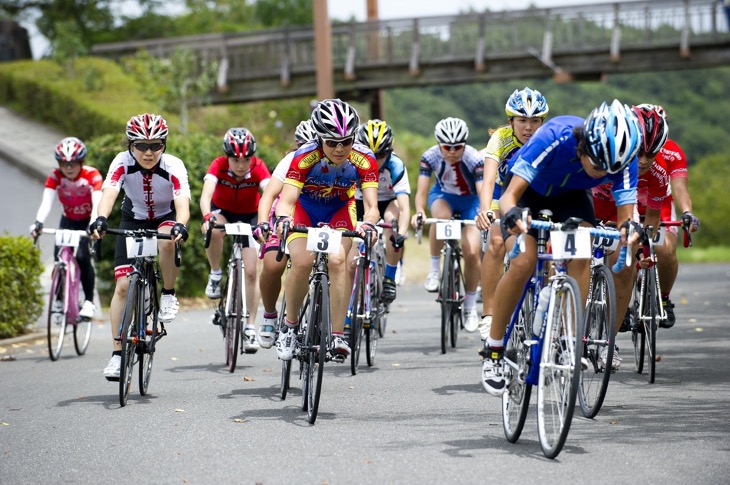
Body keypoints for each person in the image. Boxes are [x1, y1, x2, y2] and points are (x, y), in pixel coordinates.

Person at [480, 100, 642, 396]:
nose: (602, 173)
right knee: (523, 260)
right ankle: (493, 349)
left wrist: (629, 233)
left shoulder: (624, 157)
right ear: (583, 147)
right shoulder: (554, 136)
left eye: (610, 170)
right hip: (529, 190)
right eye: (597, 165)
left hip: (572, 197)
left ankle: (568, 340)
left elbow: (626, 219)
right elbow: (508, 199)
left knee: (580, 250)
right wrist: (514, 216)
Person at [274, 99, 379, 362]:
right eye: (332, 142)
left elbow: (371, 205)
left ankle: (336, 335)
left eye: (346, 140)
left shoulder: (364, 159)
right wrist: (283, 219)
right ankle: (289, 325)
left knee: (338, 259)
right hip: (305, 209)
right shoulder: (304, 156)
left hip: (339, 210)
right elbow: (286, 201)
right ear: (320, 138)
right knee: (301, 261)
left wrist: (369, 224)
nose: (340, 148)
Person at [89, 114, 191, 381]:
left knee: (165, 239)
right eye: (141, 146)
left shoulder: (173, 165)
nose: (148, 152)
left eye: (155, 145)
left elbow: (182, 204)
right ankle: (117, 354)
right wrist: (100, 218)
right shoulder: (121, 162)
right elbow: (109, 192)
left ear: (164, 145)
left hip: (164, 217)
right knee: (122, 286)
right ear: (130, 145)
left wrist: (181, 224)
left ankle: (168, 292)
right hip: (132, 217)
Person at [474, 87, 549, 341]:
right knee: (495, 241)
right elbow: (488, 179)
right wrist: (485, 211)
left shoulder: (547, 139)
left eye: (535, 121)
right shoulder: (501, 139)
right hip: (501, 195)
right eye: (522, 120)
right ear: (510, 121)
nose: (528, 127)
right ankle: (489, 314)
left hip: (535, 197)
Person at [593, 104, 670, 346]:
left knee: (626, 264)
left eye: (652, 154)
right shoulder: (604, 155)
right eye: (639, 153)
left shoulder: (658, 175)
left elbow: (651, 221)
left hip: (622, 209)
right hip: (591, 205)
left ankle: (610, 341)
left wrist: (642, 252)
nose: (645, 161)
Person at [200, 127, 270, 353]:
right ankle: (215, 273)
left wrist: (266, 220)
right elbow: (206, 195)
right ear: (226, 157)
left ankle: (250, 327)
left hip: (250, 215)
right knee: (215, 229)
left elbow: (269, 193)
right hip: (223, 211)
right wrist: (207, 216)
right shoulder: (217, 165)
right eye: (235, 159)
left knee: (251, 271)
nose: (241, 165)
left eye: (246, 159)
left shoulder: (259, 167)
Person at [410, 117, 484, 332]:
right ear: (439, 144)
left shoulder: (473, 158)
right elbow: (422, 191)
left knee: (471, 251)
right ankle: (434, 270)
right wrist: (421, 211)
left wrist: (484, 213)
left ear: (465, 144)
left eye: (457, 147)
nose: (452, 151)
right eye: (447, 147)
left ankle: (470, 306)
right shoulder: (430, 156)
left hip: (471, 200)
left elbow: (481, 191)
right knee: (440, 219)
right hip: (443, 196)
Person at [251, 119, 318, 349]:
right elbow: (269, 195)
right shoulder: (290, 160)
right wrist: (262, 222)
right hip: (284, 214)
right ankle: (270, 315)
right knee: (273, 265)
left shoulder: (334, 160)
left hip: (316, 217)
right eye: (303, 145)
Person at [639, 105, 700, 328]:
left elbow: (680, 187)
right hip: (629, 203)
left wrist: (686, 212)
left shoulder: (672, 152)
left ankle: (663, 299)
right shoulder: (628, 149)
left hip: (660, 205)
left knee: (664, 249)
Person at [30, 137, 103, 321]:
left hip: (87, 221)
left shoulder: (92, 175)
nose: (68, 168)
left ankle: (88, 302)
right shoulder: (55, 176)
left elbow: (97, 204)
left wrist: (93, 225)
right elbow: (46, 202)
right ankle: (60, 300)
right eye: (64, 163)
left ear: (81, 162)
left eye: (72, 163)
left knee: (82, 258)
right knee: (58, 259)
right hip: (68, 221)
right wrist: (38, 222)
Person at [354, 119, 411, 304]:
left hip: (388, 201)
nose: (375, 160)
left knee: (391, 220)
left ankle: (389, 277)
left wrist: (401, 233)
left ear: (389, 151)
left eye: (381, 155)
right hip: (360, 201)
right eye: (369, 154)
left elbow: (404, 207)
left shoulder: (395, 165)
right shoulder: (352, 163)